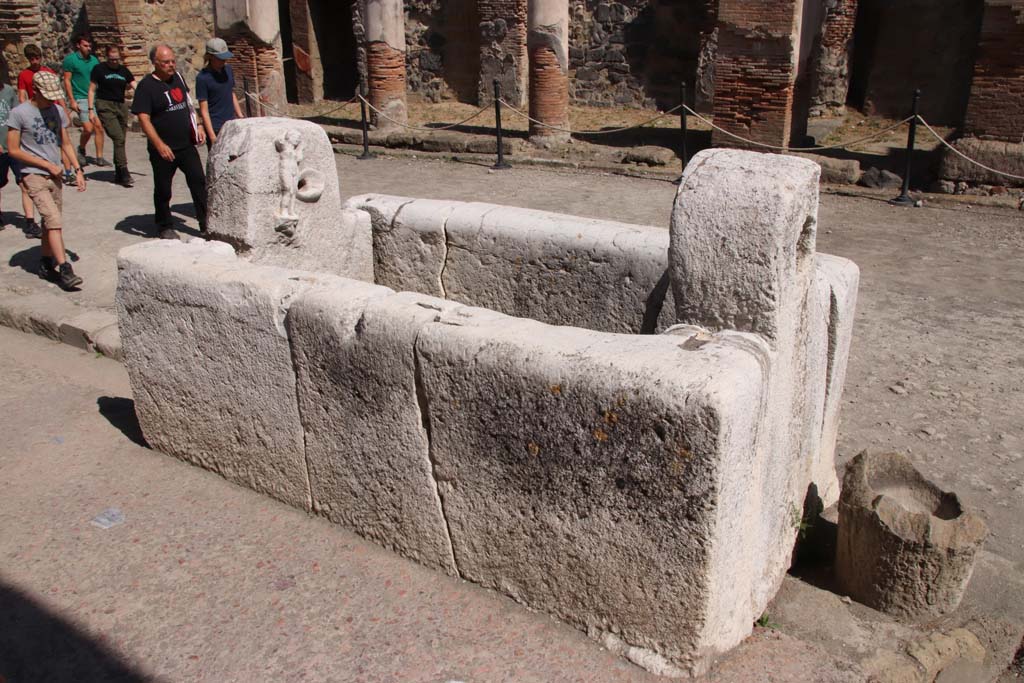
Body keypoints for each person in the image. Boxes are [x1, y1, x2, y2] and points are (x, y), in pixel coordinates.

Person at [6, 71, 87, 290]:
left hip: (55, 175)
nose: (52, 100)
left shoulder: (57, 110)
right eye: (47, 96)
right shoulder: (19, 113)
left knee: (51, 223)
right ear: (36, 91)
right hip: (33, 174)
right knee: (53, 220)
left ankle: (44, 262)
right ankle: (65, 268)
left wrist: (78, 170)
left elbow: (65, 142)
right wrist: (45, 165)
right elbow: (13, 149)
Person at [131, 44, 206, 237]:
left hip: (186, 144)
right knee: (164, 188)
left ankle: (205, 222)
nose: (171, 65)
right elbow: (144, 118)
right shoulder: (146, 86)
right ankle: (164, 224)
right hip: (164, 148)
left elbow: (189, 104)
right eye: (166, 62)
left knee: (198, 181)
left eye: (172, 61)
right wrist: (159, 144)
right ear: (155, 63)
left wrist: (198, 125)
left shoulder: (178, 78)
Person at [89, 45, 135, 187]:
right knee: (118, 137)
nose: (114, 62)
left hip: (121, 105)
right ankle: (124, 170)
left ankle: (118, 173)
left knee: (121, 140)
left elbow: (134, 85)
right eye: (111, 59)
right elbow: (91, 90)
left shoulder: (124, 71)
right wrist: (91, 109)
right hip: (105, 105)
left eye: (117, 59)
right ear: (107, 57)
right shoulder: (99, 69)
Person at [62, 34, 107, 167]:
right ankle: (81, 148)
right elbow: (67, 80)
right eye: (85, 45)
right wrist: (72, 100)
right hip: (80, 97)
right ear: (78, 45)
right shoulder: (70, 60)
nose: (88, 48)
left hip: (94, 97)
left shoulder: (94, 60)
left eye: (89, 46)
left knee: (98, 127)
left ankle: (99, 157)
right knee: (88, 128)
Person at [196, 38, 244, 147]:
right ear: (211, 57)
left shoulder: (228, 70)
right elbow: (204, 110)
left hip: (231, 123)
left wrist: (240, 116)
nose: (224, 61)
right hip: (216, 126)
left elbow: (231, 93)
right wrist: (212, 136)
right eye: (220, 58)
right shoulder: (202, 78)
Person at [0, 59, 17, 229]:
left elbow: (16, 116)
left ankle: (29, 219)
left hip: (12, 146)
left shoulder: (9, 91)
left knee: (25, 182)